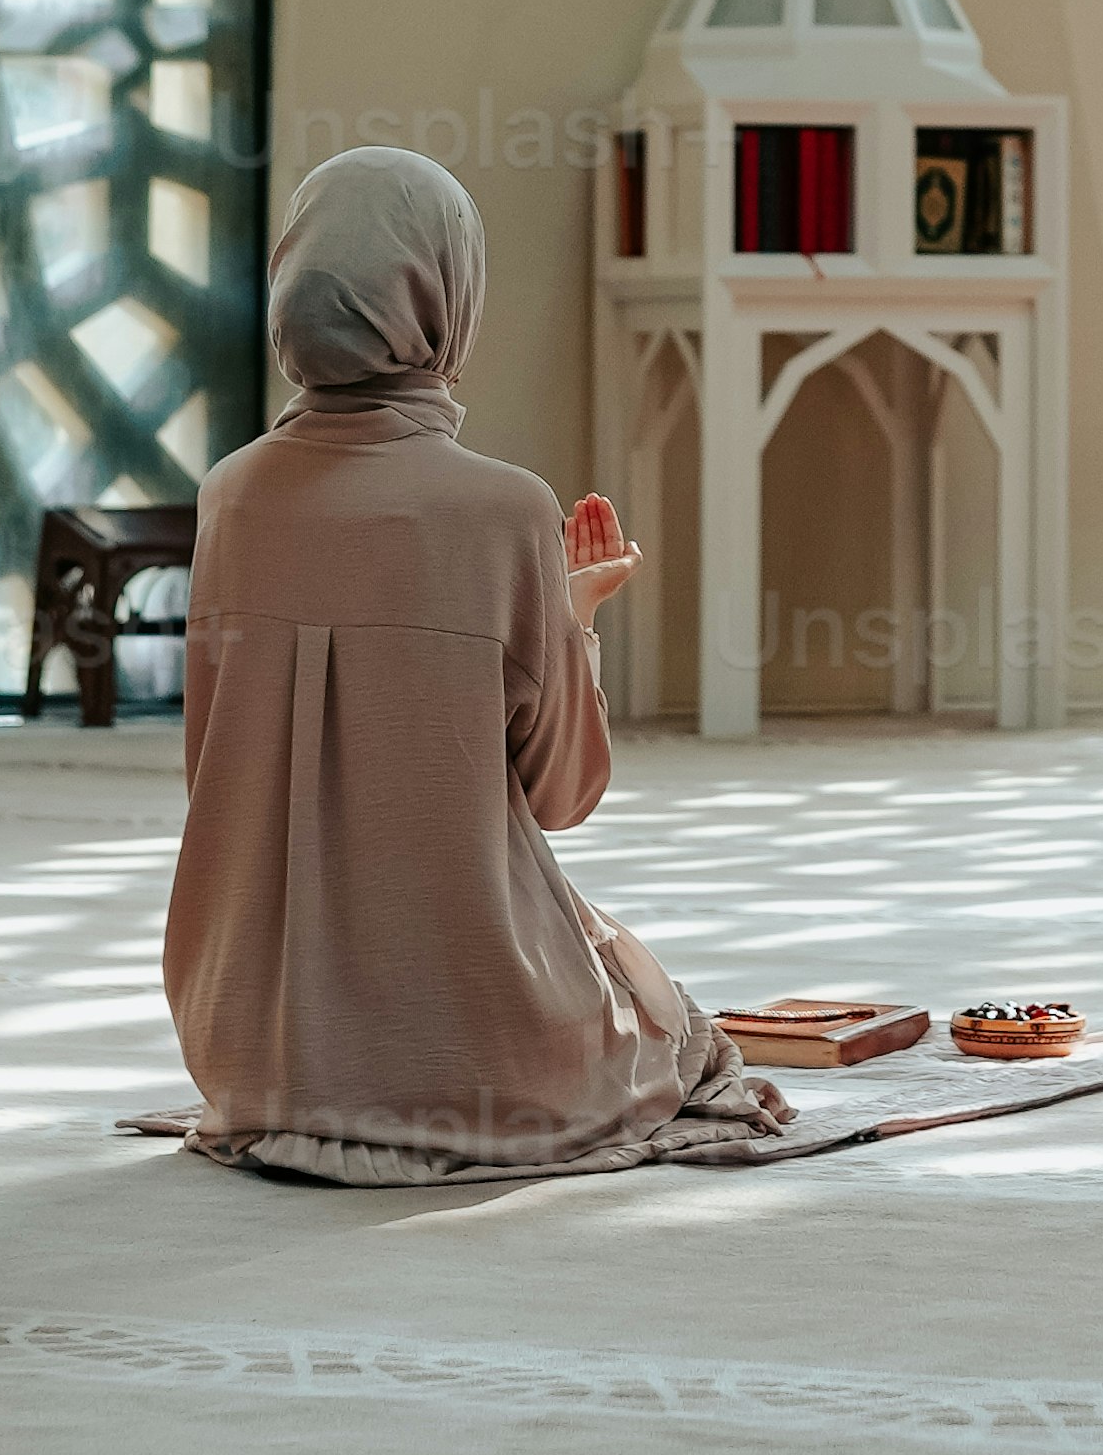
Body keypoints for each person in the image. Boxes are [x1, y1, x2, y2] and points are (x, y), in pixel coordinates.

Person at [161, 145, 785, 1179]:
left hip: (251, 1041)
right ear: (448, 294)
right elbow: (563, 793)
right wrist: (572, 617)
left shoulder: (232, 495)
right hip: (478, 1048)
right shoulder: (504, 511)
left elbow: (215, 775)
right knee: (658, 1011)